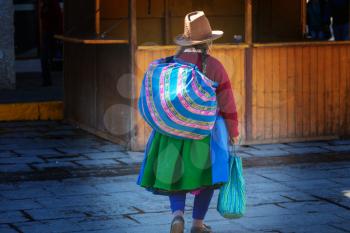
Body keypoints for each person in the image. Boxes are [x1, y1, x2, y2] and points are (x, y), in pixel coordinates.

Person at [136, 11, 239, 233]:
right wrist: (233, 130)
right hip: (206, 133)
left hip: (171, 131)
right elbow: (227, 101)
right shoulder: (214, 66)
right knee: (207, 178)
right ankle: (198, 224)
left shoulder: (171, 64)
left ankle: (177, 216)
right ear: (208, 41)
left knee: (176, 175)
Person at [39, 0, 63, 86]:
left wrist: (59, 34)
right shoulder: (46, 5)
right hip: (48, 33)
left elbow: (59, 18)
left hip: (52, 33)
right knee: (45, 57)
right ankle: (47, 80)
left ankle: (47, 80)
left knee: (45, 57)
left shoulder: (52, 4)